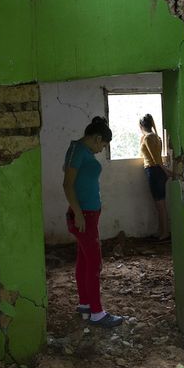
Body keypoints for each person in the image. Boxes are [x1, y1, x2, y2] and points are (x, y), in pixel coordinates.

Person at [62, 116, 124, 328]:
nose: (102, 149)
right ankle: (97, 313)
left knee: (84, 260)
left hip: (89, 214)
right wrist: (78, 213)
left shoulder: (81, 150)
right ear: (97, 138)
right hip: (84, 216)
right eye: (104, 145)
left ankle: (85, 304)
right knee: (95, 263)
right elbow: (67, 185)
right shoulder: (78, 151)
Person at [139, 114, 170, 240]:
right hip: (156, 171)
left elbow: (156, 160)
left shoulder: (148, 138)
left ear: (141, 126)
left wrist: (167, 171)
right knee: (160, 205)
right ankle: (161, 230)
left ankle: (165, 232)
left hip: (154, 171)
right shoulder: (156, 137)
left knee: (160, 206)